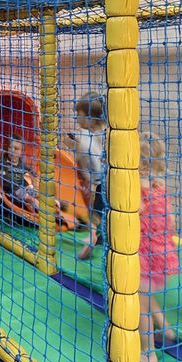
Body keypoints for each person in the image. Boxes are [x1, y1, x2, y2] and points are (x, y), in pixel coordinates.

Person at [137, 131, 180, 362]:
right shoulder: (160, 187)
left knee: (140, 305)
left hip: (144, 254)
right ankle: (166, 326)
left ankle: (148, 352)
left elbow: (136, 213)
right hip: (162, 254)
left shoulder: (139, 189)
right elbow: (171, 222)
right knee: (146, 292)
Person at [66, 92, 106, 259]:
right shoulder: (104, 132)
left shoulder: (84, 137)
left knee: (95, 217)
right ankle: (100, 237)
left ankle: (91, 239)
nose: (77, 119)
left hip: (100, 182)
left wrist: (72, 145)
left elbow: (88, 162)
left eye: (79, 116)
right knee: (104, 213)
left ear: (92, 119)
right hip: (110, 181)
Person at [0, 137, 37, 209]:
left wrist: (33, 182)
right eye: (10, 147)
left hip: (25, 188)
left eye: (16, 149)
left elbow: (31, 172)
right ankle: (40, 215)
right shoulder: (0, 163)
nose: (12, 151)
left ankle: (55, 210)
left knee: (38, 197)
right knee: (30, 199)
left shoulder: (21, 164)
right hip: (13, 191)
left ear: (21, 152)